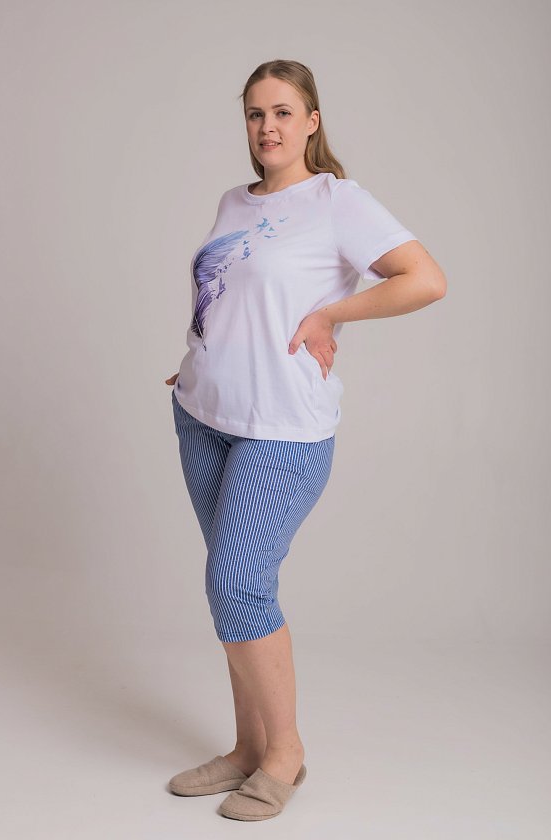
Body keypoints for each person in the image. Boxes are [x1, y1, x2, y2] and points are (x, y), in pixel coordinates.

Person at [165, 59, 446, 821]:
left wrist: (330, 316)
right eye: (256, 114)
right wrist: (202, 358)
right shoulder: (234, 201)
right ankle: (246, 749)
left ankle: (284, 754)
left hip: (281, 430)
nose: (268, 127)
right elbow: (231, 293)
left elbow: (425, 279)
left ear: (312, 121)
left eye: (283, 112)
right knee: (230, 591)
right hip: (204, 417)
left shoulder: (336, 201)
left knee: (237, 582)